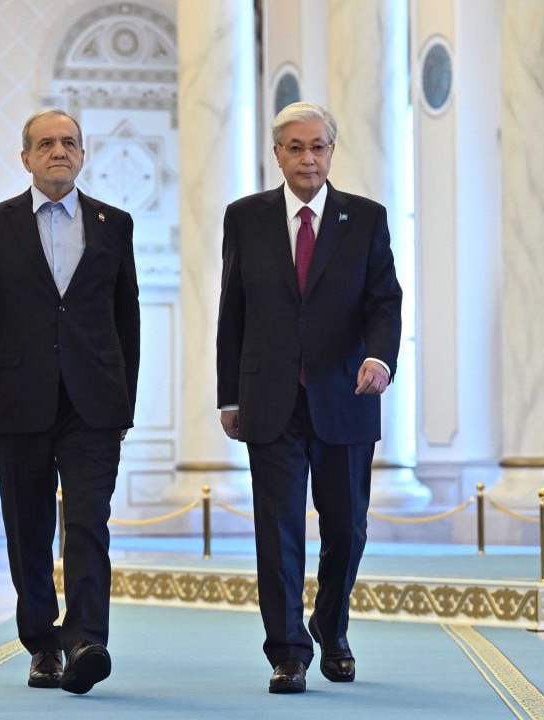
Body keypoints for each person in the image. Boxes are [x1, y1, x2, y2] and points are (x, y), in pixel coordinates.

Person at [0, 109, 138, 695]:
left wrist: (124, 401)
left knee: (88, 523)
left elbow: (127, 317)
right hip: (20, 397)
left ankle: (87, 641)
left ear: (83, 154)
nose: (59, 151)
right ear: (25, 157)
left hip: (94, 403)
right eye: (46, 143)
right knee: (28, 528)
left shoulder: (114, 223)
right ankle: (43, 644)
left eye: (69, 142)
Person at [217, 101, 403, 694]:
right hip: (270, 399)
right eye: (295, 147)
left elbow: (384, 301)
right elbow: (232, 310)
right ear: (277, 154)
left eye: (317, 146)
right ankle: (289, 652)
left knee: (347, 529)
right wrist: (228, 395)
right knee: (278, 532)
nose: (307, 158)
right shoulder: (245, 217)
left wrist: (380, 358)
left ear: (331, 151)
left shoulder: (366, 218)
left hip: (346, 394)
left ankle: (331, 623)